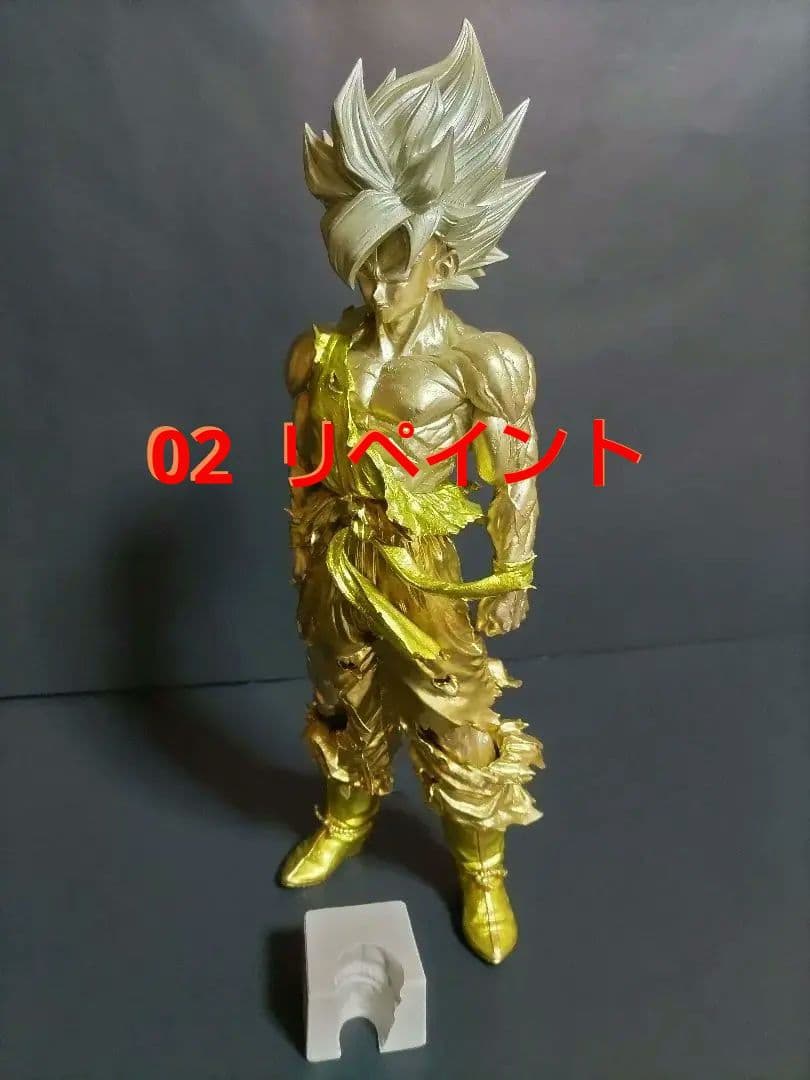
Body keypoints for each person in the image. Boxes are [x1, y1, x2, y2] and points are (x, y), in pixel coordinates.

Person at [278, 20, 545, 965]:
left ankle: (481, 869)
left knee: (456, 721)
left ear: (446, 253)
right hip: (338, 561)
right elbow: (307, 464)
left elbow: (516, 474)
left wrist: (511, 567)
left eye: (400, 257)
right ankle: (346, 817)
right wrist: (307, 554)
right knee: (341, 695)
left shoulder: (483, 361)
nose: (381, 281)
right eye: (365, 261)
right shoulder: (322, 353)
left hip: (423, 569)